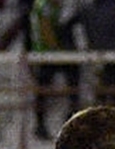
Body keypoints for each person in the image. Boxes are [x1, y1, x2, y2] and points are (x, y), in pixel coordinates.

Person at [68, 0, 115, 107]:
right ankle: (113, 114)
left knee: (103, 89)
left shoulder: (88, 9)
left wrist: (74, 47)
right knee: (111, 89)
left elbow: (68, 26)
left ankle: (104, 113)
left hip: (99, 54)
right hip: (110, 53)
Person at [29, 0, 79, 139]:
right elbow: (46, 30)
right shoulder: (43, 6)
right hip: (48, 52)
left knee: (72, 81)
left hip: (53, 50)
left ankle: (71, 118)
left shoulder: (49, 7)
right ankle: (40, 124)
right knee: (43, 87)